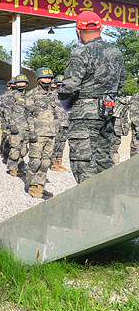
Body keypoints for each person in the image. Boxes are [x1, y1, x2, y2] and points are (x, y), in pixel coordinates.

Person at [59, 11, 125, 184]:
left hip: (84, 115)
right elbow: (121, 83)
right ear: (101, 28)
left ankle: (89, 207)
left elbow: (69, 87)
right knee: (104, 160)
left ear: (77, 30)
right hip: (108, 111)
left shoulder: (80, 54)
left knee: (84, 164)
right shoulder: (116, 53)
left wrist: (64, 100)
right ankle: (109, 203)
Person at [24, 67, 58, 198]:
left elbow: (56, 113)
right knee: (35, 161)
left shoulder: (53, 94)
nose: (47, 80)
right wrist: (31, 130)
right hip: (38, 133)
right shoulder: (32, 94)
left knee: (45, 161)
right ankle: (32, 186)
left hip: (51, 132)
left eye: (49, 78)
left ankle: (40, 184)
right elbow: (28, 114)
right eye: (44, 78)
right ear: (38, 79)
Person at [5, 74, 30, 178]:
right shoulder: (12, 96)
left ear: (26, 83)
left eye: (23, 82)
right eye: (19, 82)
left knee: (24, 149)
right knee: (15, 149)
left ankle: (20, 166)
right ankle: (12, 168)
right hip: (16, 127)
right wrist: (11, 124)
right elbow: (7, 111)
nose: (21, 84)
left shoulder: (29, 95)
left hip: (27, 127)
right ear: (15, 84)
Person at [50, 75, 69, 172]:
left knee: (62, 143)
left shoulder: (68, 95)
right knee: (55, 142)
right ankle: (53, 163)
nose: (61, 85)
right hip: (57, 123)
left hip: (66, 122)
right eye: (59, 84)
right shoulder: (52, 95)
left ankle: (59, 162)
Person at [0, 78, 15, 165]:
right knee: (6, 137)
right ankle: (5, 155)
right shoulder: (5, 96)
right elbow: (4, 110)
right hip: (6, 121)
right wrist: (9, 121)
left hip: (16, 121)